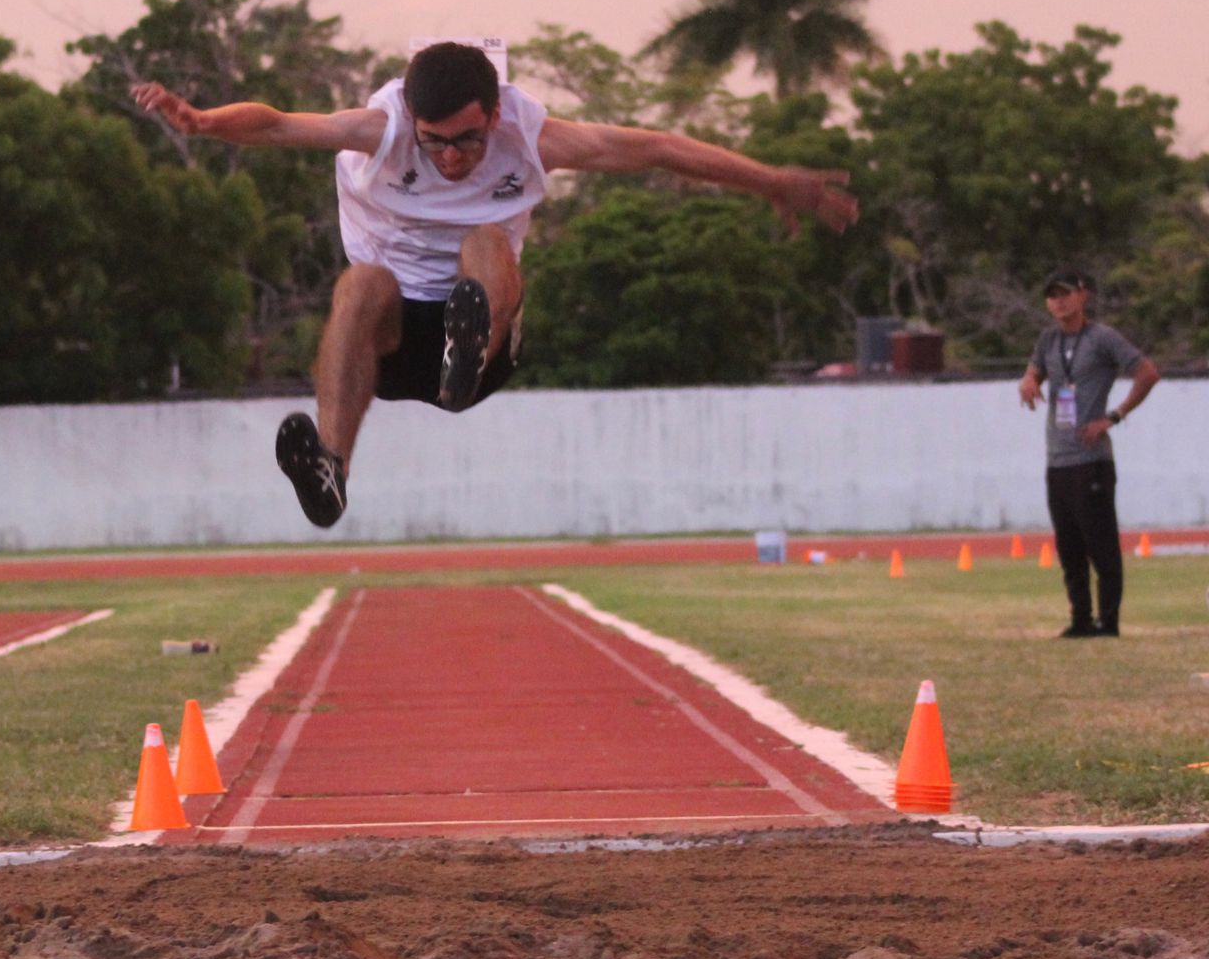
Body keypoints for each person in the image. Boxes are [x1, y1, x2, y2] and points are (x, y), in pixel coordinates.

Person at [132, 41, 858, 527]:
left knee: (484, 241)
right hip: (386, 346)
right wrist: (201, 122)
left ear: (497, 117)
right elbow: (277, 124)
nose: (452, 157)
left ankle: (466, 348)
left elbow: (658, 148)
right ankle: (330, 466)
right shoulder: (381, 128)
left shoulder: (533, 136)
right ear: (412, 121)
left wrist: (773, 182)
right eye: (435, 140)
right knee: (360, 286)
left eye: (469, 140)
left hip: (482, 338)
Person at [1018, 267, 1160, 638]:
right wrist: (1029, 381)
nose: (1058, 301)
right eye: (1052, 295)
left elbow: (1147, 373)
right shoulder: (1048, 340)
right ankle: (1080, 618)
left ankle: (1107, 620)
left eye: (1065, 293)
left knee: (1100, 544)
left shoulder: (1102, 338)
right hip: (1058, 458)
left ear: (1083, 295)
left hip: (1091, 459)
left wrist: (1113, 416)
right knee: (1069, 546)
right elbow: (1034, 371)